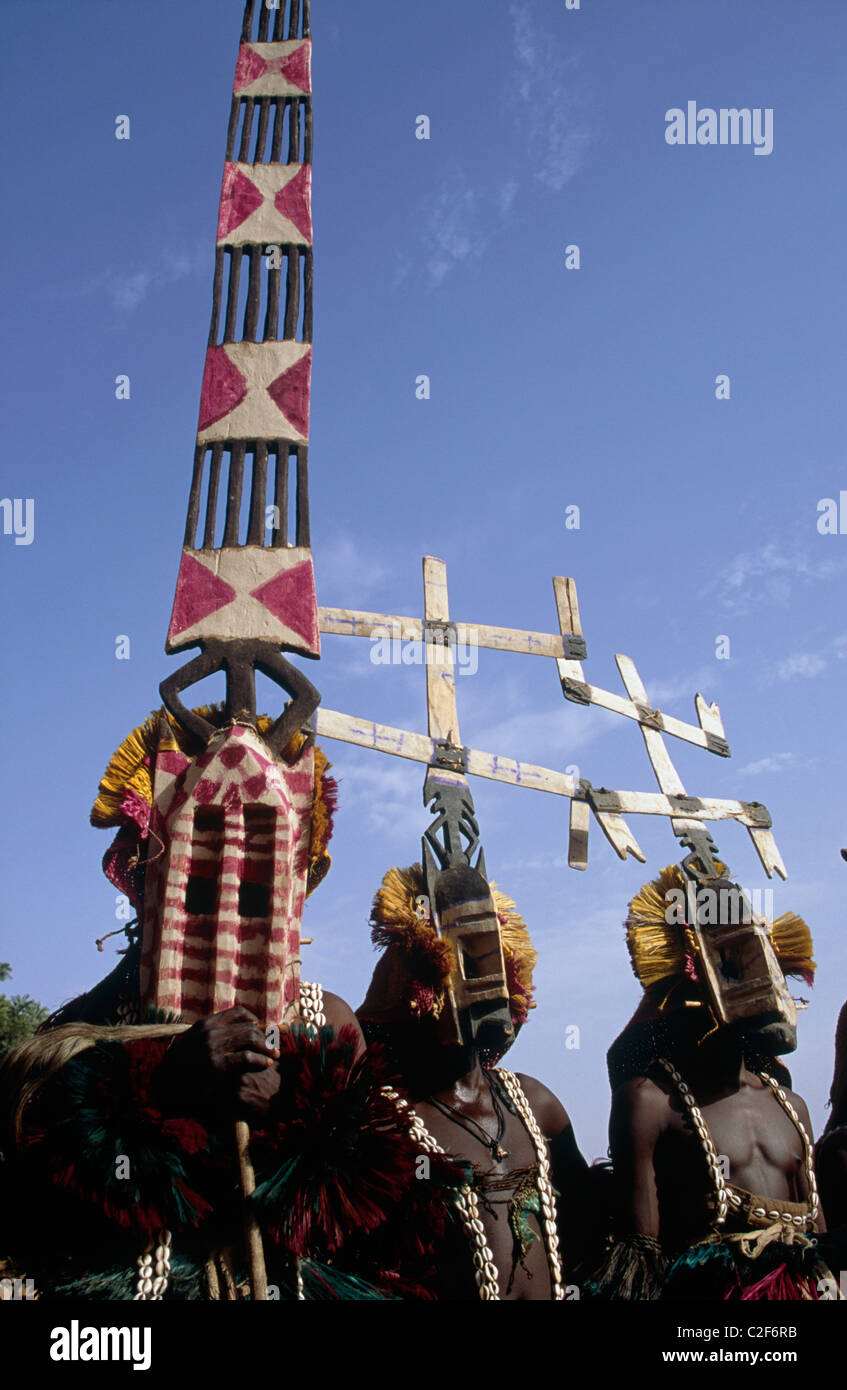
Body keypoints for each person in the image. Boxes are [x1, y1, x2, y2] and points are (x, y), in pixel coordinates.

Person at [0, 708, 459, 1301]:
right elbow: (31, 1181)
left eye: (257, 889)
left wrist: (297, 1113)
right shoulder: (92, 1026)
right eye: (196, 882)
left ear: (298, 883)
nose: (224, 913)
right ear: (147, 872)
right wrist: (165, 1083)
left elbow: (390, 1206)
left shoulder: (330, 1026)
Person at [591, 864, 837, 1300]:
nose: (762, 980)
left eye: (763, 961)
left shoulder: (792, 1107)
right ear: (696, 979)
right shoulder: (650, 1104)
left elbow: (818, 1242)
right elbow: (640, 1266)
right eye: (735, 965)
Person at [357, 861, 588, 1300]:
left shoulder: (537, 1107)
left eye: (489, 957)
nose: (484, 980)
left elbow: (590, 1231)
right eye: (463, 957)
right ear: (418, 984)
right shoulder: (390, 1124)